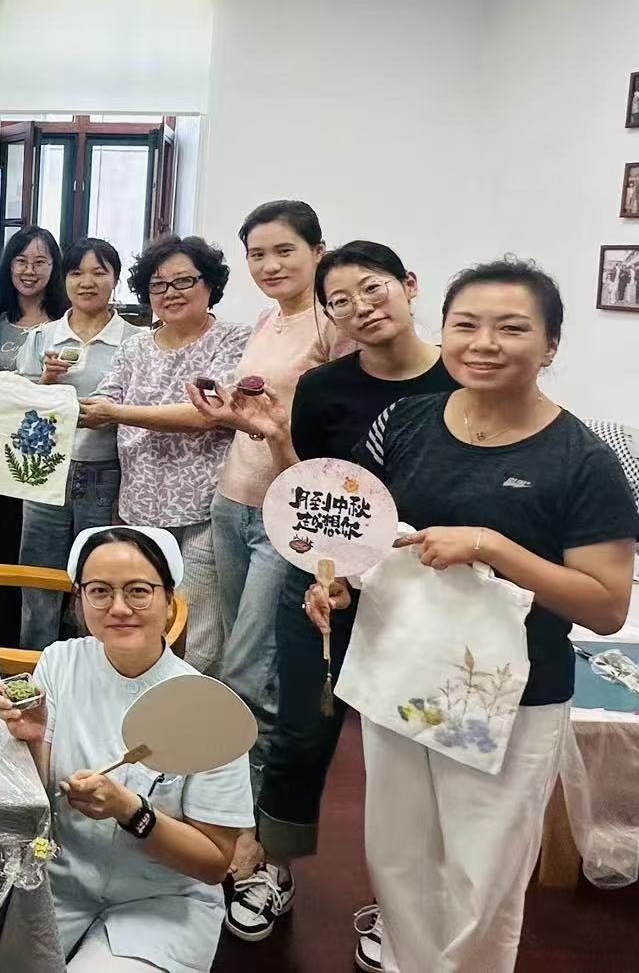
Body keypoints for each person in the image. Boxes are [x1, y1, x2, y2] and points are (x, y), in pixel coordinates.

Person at [307, 259, 639, 973]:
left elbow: (608, 606)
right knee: (397, 858)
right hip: (402, 673)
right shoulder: (404, 422)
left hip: (510, 699)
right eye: (466, 325)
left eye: (511, 328)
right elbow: (365, 536)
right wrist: (338, 587)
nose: (484, 343)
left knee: (481, 880)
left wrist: (490, 546)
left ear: (550, 345)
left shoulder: (581, 459)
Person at [189, 241, 456, 962]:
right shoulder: (324, 387)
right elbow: (310, 488)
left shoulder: (461, 380)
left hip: (426, 593)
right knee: (302, 728)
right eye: (341, 301)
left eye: (373, 289)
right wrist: (277, 439)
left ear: (409, 284)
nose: (360, 308)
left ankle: (402, 905)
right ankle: (273, 866)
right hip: (325, 586)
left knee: (413, 744)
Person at [0, 526, 254, 972]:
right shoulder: (61, 663)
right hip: (59, 883)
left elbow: (213, 863)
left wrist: (132, 812)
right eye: (99, 591)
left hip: (161, 904)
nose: (118, 608)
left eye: (138, 591)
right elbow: (40, 802)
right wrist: (33, 740)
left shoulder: (207, 707)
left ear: (169, 600)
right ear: (79, 600)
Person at [206, 202, 351, 824]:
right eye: (257, 254)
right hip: (233, 498)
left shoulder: (333, 325)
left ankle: (253, 820)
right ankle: (229, 798)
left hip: (287, 513)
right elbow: (266, 415)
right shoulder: (269, 319)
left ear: (319, 252)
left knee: (249, 670)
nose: (269, 265)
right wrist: (230, 414)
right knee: (239, 657)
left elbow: (339, 426)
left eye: (284, 250)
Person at [79, 235, 251, 675]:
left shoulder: (234, 339)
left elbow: (208, 413)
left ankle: (192, 703)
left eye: (183, 281)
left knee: (200, 621)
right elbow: (105, 398)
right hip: (140, 505)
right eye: (158, 285)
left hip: (203, 507)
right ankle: (142, 692)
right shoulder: (136, 346)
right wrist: (54, 402)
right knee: (142, 610)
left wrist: (116, 412)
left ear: (210, 284)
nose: (170, 293)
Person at [16, 238, 130, 650]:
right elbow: (17, 404)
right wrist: (45, 381)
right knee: (39, 577)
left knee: (99, 577)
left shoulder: (134, 340)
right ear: (64, 280)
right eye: (77, 272)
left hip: (106, 471)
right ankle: (36, 666)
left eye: (99, 272)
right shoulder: (43, 337)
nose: (87, 282)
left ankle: (95, 664)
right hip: (45, 470)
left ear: (115, 280)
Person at [0, 225, 67, 648]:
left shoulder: (66, 323)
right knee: (5, 553)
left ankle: (47, 651)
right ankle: (3, 649)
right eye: (21, 261)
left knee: (48, 559)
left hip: (51, 456)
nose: (29, 271)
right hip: (4, 456)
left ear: (55, 268)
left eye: (40, 262)